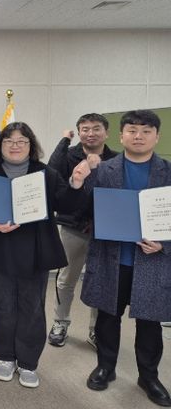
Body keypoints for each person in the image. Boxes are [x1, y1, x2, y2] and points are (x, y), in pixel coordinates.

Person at [0, 122, 86, 389]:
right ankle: (4, 357)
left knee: (32, 306)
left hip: (36, 250)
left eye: (21, 141)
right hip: (0, 249)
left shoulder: (45, 173)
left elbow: (66, 204)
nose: (15, 146)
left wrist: (76, 183)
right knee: (2, 305)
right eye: (9, 141)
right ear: (0, 146)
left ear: (30, 145)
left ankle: (28, 361)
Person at [77, 110, 171, 406]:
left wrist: (164, 244)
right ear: (121, 136)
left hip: (152, 261)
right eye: (132, 130)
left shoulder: (168, 172)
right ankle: (106, 367)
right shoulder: (104, 170)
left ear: (157, 136)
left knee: (150, 323)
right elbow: (84, 208)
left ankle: (149, 376)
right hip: (112, 258)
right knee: (107, 317)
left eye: (146, 131)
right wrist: (79, 180)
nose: (138, 136)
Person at [46, 113, 117, 348]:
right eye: (85, 129)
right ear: (79, 132)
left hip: (104, 231)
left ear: (106, 133)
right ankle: (60, 322)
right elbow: (52, 174)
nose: (90, 133)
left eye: (96, 129)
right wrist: (64, 141)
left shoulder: (116, 159)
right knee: (66, 279)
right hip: (73, 227)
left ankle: (96, 330)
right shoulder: (68, 155)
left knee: (101, 281)